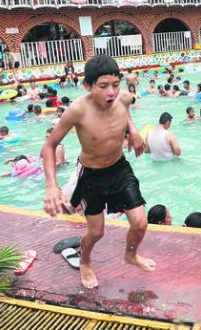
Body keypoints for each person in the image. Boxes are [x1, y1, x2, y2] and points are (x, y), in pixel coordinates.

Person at [41, 55, 152, 289]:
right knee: (96, 231)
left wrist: (133, 131)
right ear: (88, 86)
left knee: (141, 223)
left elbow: (125, 110)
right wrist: (52, 186)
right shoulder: (77, 111)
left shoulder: (124, 98)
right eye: (103, 87)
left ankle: (130, 255)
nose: (110, 92)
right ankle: (85, 260)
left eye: (115, 85)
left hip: (120, 168)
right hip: (91, 175)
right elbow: (49, 146)